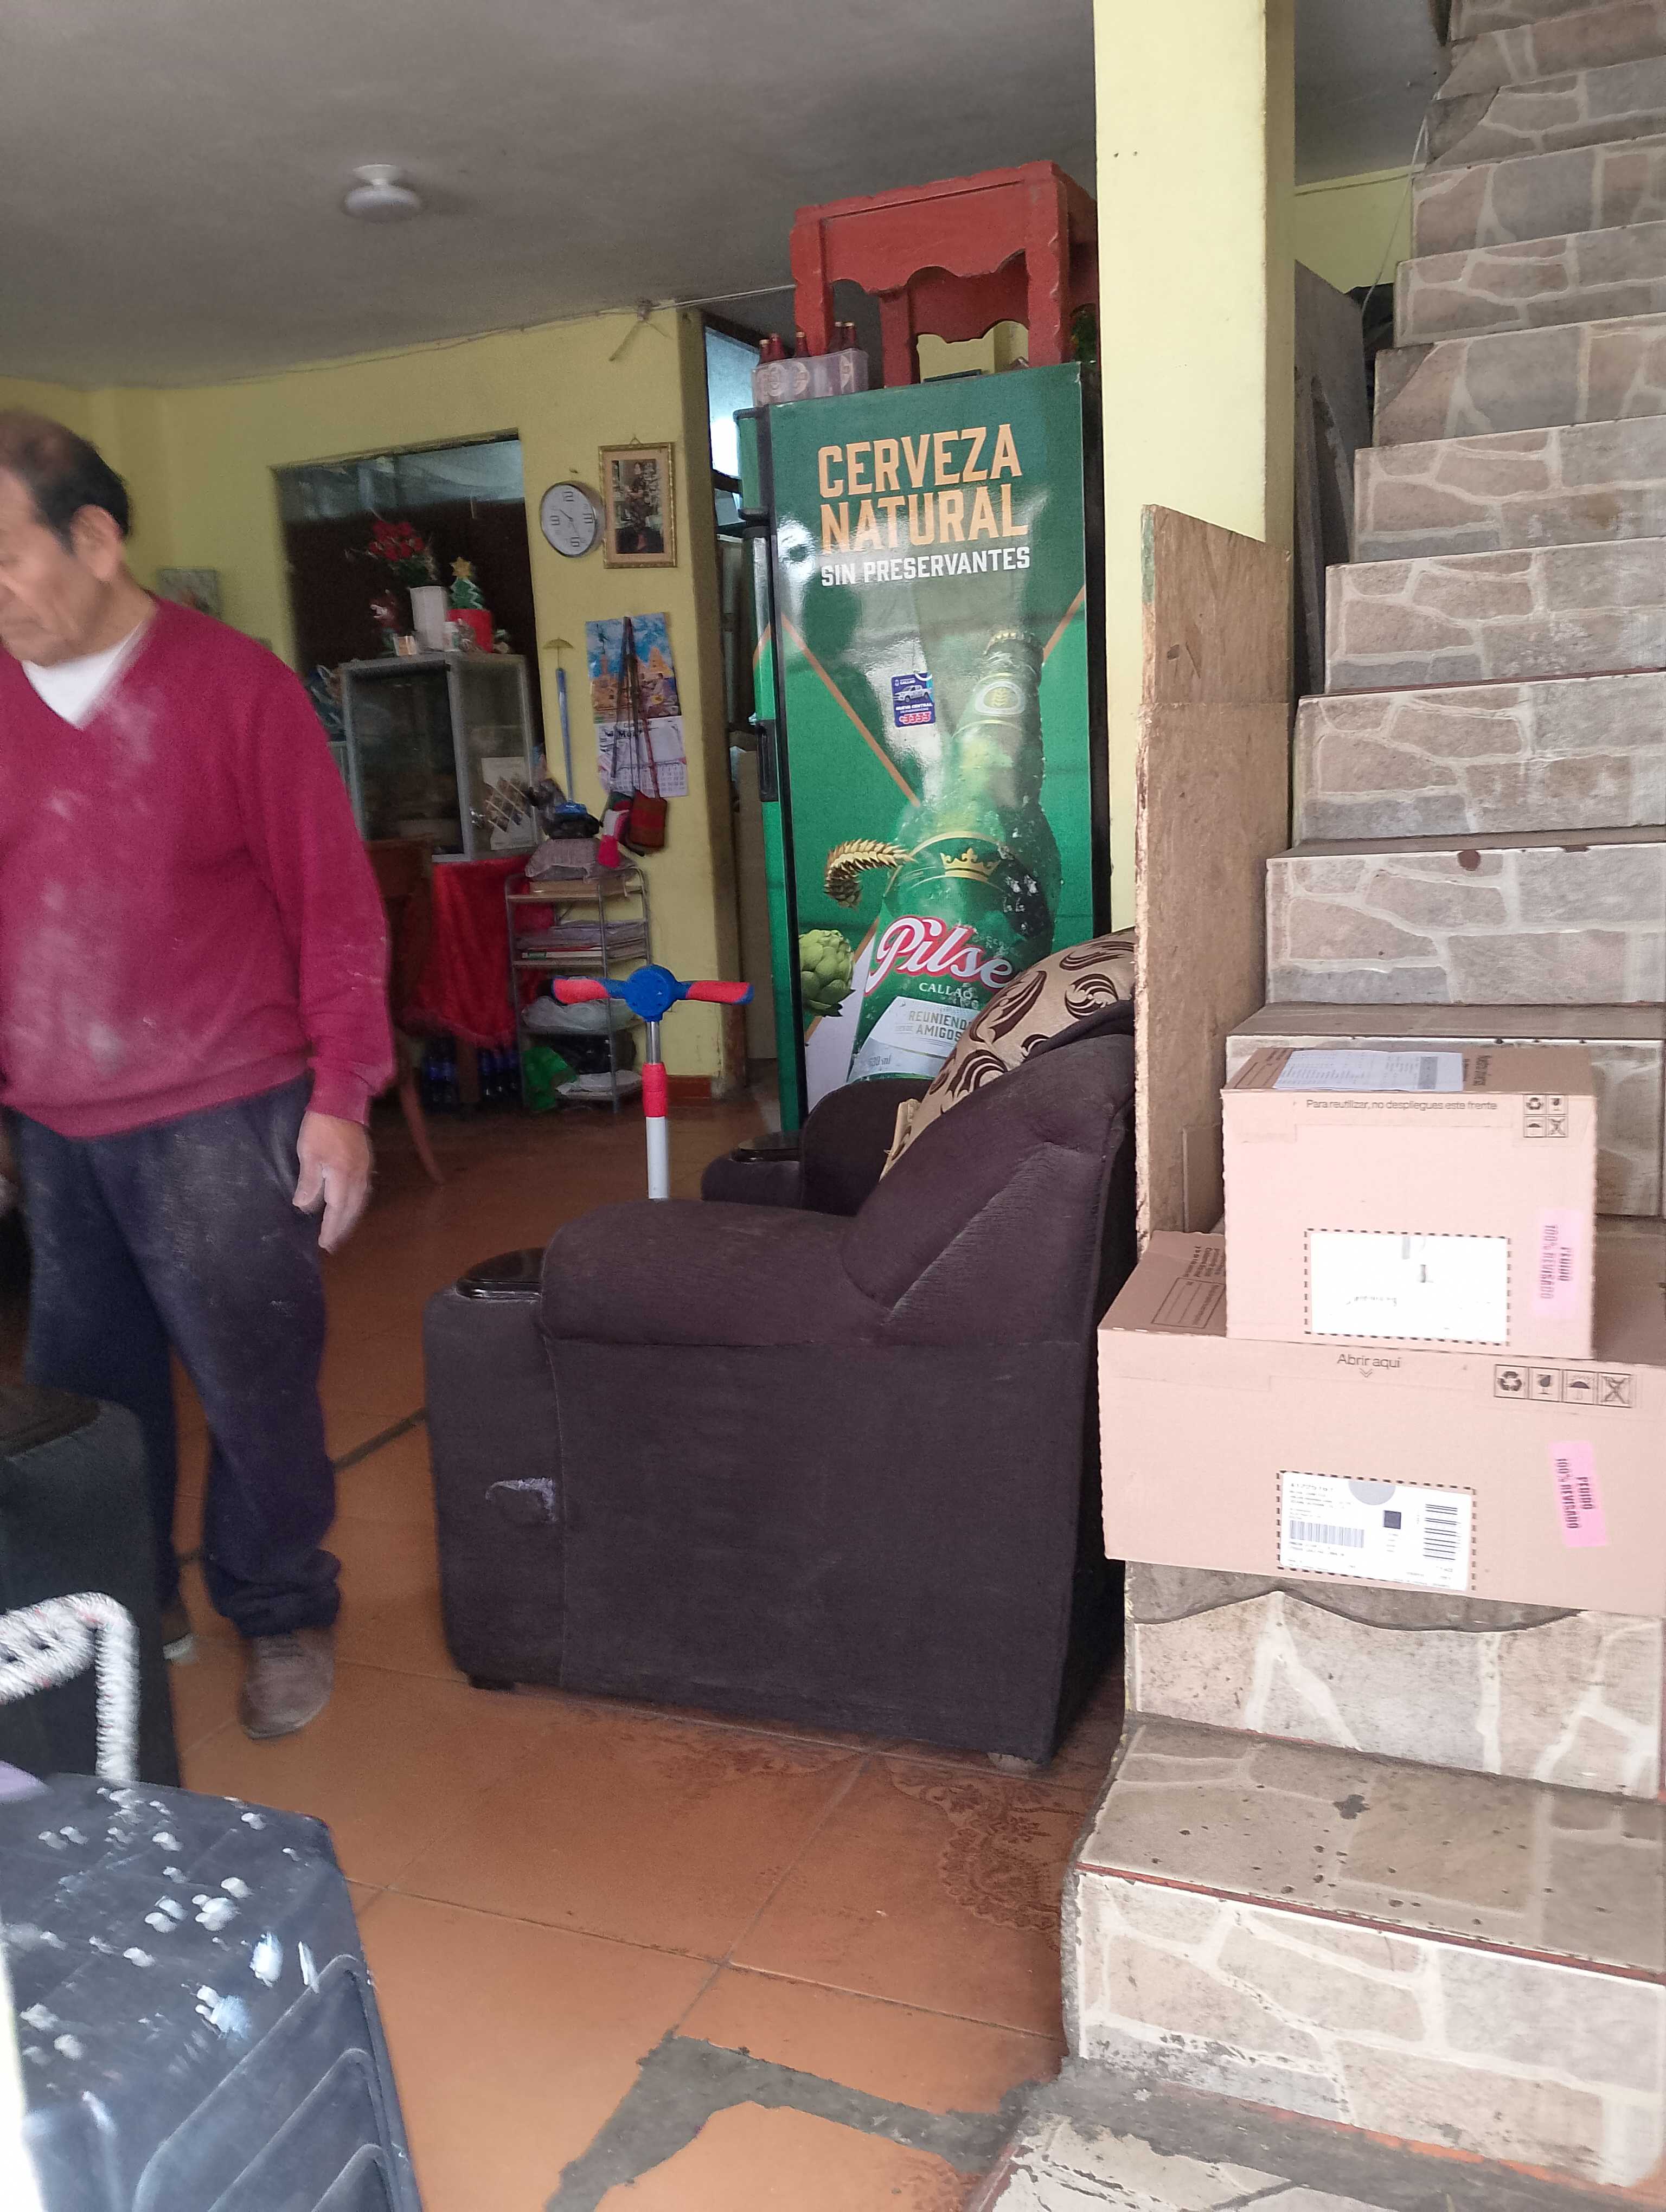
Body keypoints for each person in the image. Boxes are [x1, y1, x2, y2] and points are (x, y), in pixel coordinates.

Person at [0, 411, 393, 1739]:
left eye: (6, 559)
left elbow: (334, 907)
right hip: (55, 1125)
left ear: (95, 539)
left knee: (254, 1388)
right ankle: (129, 1602)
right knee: (88, 1400)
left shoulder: (235, 689)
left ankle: (279, 1609)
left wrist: (341, 1099)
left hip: (223, 1111)